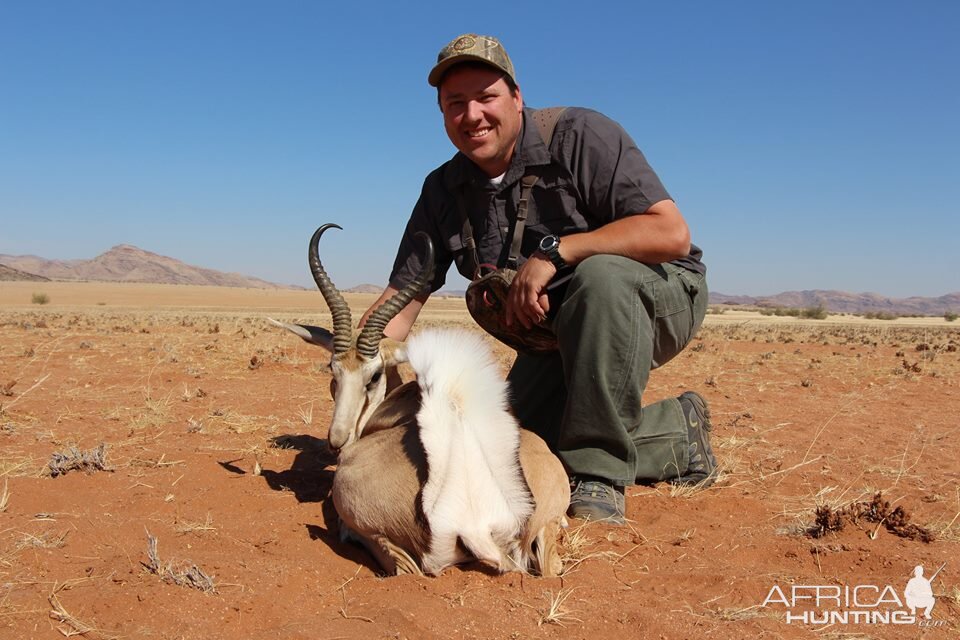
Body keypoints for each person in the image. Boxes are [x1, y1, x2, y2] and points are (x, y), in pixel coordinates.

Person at [361, 33, 716, 524]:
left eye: (486, 97)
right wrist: (359, 361)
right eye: (455, 103)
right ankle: (679, 433)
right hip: (557, 332)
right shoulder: (443, 189)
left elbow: (670, 233)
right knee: (513, 443)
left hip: (656, 297)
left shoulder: (580, 135)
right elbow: (403, 298)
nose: (472, 116)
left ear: (516, 97)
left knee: (602, 275)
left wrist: (557, 251)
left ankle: (599, 475)